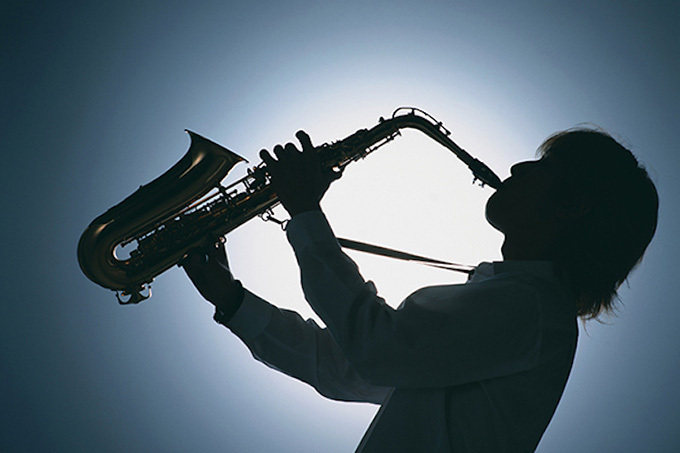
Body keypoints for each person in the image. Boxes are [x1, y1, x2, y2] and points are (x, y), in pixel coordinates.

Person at [182, 128, 658, 452]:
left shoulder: (532, 308)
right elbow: (346, 368)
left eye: (542, 166)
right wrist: (232, 301)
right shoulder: (520, 308)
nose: (516, 167)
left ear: (572, 205)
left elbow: (376, 348)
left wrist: (305, 212)